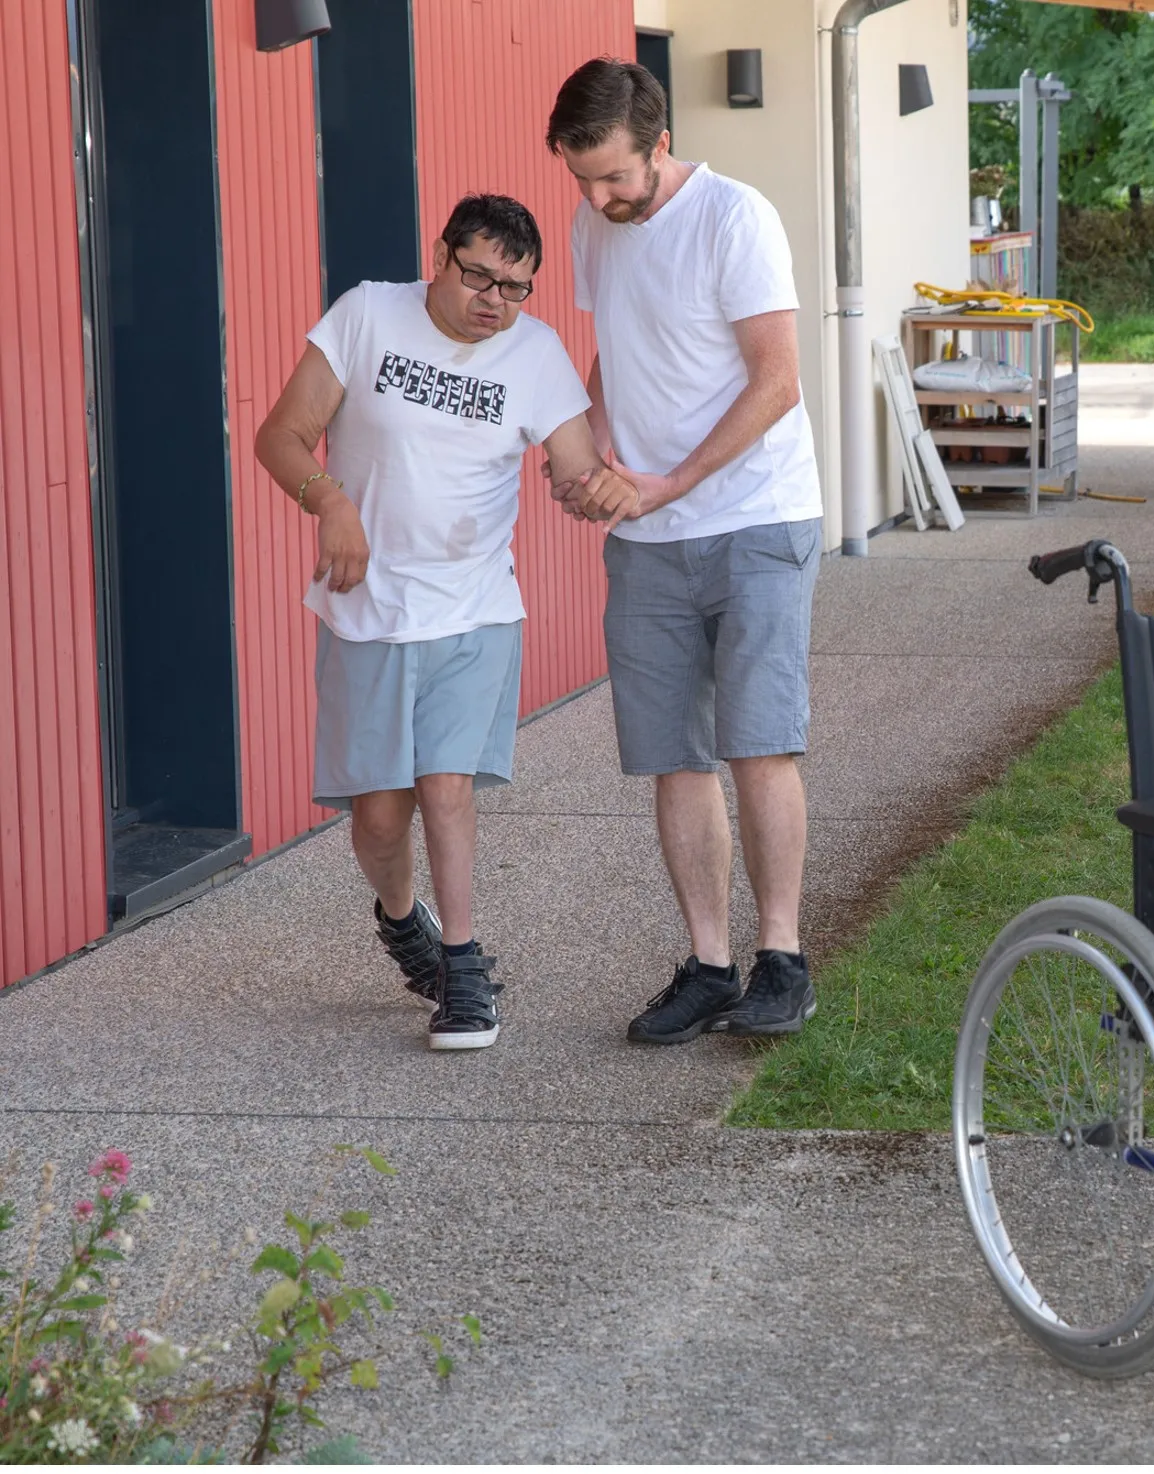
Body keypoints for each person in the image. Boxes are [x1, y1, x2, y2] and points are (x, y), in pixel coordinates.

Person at [254, 194, 630, 1051]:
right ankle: (400, 919)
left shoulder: (535, 354)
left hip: (475, 608)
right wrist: (330, 501)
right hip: (368, 612)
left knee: (446, 786)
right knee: (379, 820)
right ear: (441, 255)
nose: (494, 300)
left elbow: (576, 468)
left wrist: (591, 489)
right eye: (479, 276)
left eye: (516, 287)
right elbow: (281, 435)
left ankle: (462, 970)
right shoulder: (366, 316)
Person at [545, 58, 823, 1047]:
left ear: (658, 144)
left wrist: (671, 480)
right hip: (648, 538)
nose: (597, 196)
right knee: (675, 756)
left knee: (758, 743)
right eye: (582, 178)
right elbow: (616, 353)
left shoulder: (735, 218)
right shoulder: (594, 226)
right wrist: (583, 451)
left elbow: (776, 381)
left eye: (614, 175)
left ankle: (781, 961)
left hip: (755, 516)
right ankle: (709, 965)